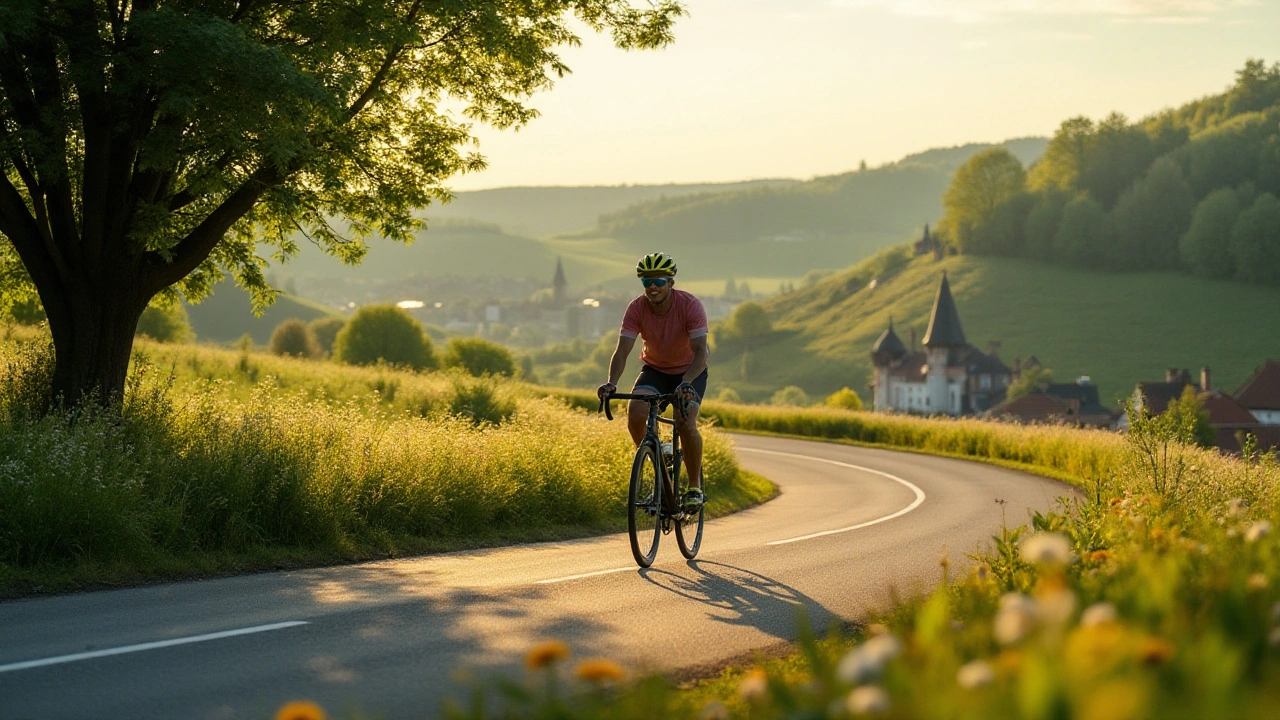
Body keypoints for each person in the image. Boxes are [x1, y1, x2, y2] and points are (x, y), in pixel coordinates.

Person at [598, 252, 710, 512]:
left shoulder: (690, 305)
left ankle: (694, 487)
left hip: (690, 370)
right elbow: (623, 350)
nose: (652, 287)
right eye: (646, 281)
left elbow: (701, 352)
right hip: (656, 370)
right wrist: (612, 382)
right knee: (635, 413)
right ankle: (659, 462)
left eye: (658, 280)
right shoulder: (636, 307)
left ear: (671, 282)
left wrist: (687, 382)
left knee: (685, 421)